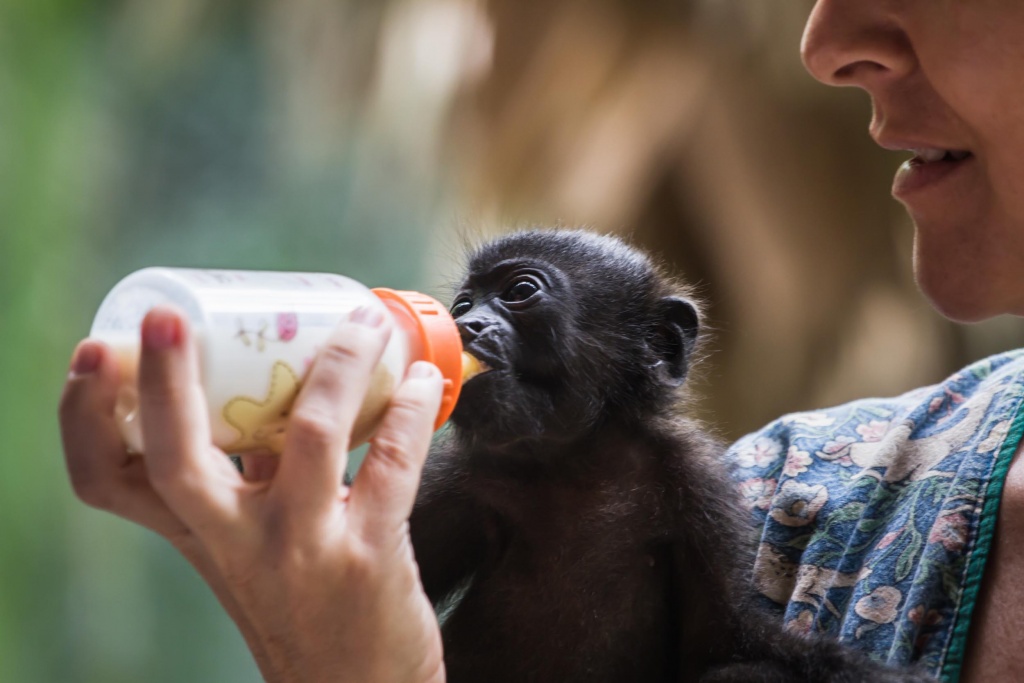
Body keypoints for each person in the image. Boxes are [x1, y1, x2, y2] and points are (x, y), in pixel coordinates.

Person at [56, 0, 1024, 681]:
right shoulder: (798, 502)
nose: (823, 42)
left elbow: (746, 651)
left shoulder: (694, 494)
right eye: (471, 298)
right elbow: (350, 578)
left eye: (520, 297)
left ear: (655, 353)